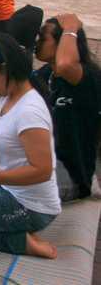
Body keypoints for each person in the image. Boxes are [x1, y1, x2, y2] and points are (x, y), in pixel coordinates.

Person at [0, 33, 60, 259]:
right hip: (11, 192)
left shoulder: (29, 112)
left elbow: (43, 170)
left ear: (6, 69)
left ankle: (19, 241)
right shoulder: (8, 98)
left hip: (31, 207)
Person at [34, 14, 101, 201]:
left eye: (43, 37)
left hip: (69, 174)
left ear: (62, 42)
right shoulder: (47, 74)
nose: (38, 42)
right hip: (41, 160)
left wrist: (71, 26)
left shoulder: (87, 79)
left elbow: (65, 64)